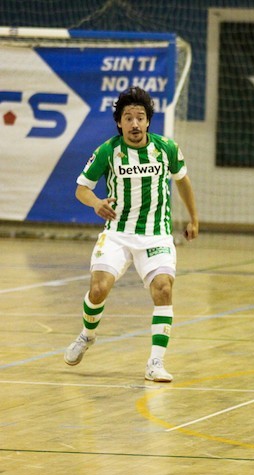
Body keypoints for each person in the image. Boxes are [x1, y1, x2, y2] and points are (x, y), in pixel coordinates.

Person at [64, 86, 199, 382]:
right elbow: (81, 189)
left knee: (163, 289)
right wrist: (97, 202)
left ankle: (155, 362)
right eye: (128, 118)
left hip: (156, 235)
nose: (134, 124)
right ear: (119, 123)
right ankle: (87, 335)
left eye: (140, 117)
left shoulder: (167, 148)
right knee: (98, 289)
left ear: (148, 121)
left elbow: (183, 181)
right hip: (117, 233)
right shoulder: (107, 151)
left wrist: (193, 218)